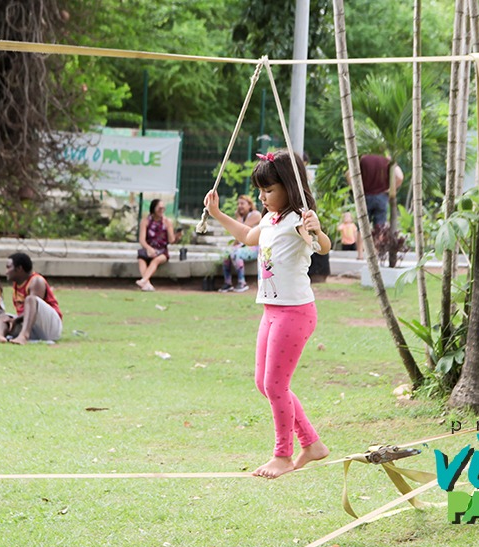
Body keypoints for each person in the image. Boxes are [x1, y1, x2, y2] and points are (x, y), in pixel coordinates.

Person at [203, 149, 332, 479]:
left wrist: (316, 230)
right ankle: (312, 444)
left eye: (269, 190)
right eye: (260, 190)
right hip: (272, 311)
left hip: (295, 312)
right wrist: (216, 213)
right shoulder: (270, 219)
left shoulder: (297, 220)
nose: (263, 196)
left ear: (289, 187)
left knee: (276, 384)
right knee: (265, 384)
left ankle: (283, 455)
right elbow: (247, 237)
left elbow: (321, 246)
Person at [0, 252, 62, 345]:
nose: (6, 271)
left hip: (50, 328)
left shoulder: (36, 281)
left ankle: (23, 336)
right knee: (3, 317)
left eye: (8, 267)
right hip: (31, 327)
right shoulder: (17, 284)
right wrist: (12, 320)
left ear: (19, 268)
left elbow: (34, 309)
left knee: (30, 299)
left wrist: (15, 320)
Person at [136, 198, 181, 292]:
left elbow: (171, 240)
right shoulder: (146, 221)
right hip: (149, 248)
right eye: (159, 208)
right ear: (154, 208)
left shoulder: (167, 222)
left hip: (162, 250)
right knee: (141, 259)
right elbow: (142, 239)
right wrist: (149, 248)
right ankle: (146, 283)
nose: (161, 210)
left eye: (163, 208)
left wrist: (177, 236)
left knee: (156, 260)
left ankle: (144, 280)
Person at [219, 194, 262, 292]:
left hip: (255, 247)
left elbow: (242, 230)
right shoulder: (242, 217)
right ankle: (228, 283)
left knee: (236, 253)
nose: (239, 206)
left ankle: (242, 283)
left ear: (250, 205)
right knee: (226, 253)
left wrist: (238, 218)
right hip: (244, 246)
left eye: (242, 203)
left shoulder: (255, 215)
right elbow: (238, 237)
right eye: (238, 204)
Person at [347, 154, 403, 226]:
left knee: (362, 228)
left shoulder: (363, 159)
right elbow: (400, 177)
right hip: (382, 197)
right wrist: (390, 189)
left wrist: (355, 190)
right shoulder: (386, 160)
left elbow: (348, 174)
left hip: (365, 197)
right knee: (380, 228)